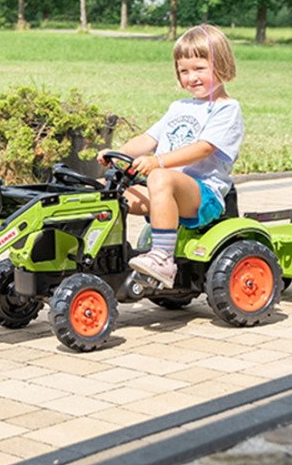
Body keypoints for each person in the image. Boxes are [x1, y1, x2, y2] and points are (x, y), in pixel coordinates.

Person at [98, 23, 243, 289]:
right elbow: (148, 139)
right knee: (112, 198)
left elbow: (204, 148)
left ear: (221, 64)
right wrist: (118, 153)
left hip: (203, 195)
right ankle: (106, 257)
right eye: (184, 71)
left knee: (160, 177)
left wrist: (158, 162)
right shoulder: (179, 107)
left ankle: (163, 258)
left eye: (200, 69)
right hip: (163, 186)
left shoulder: (226, 109)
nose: (192, 77)